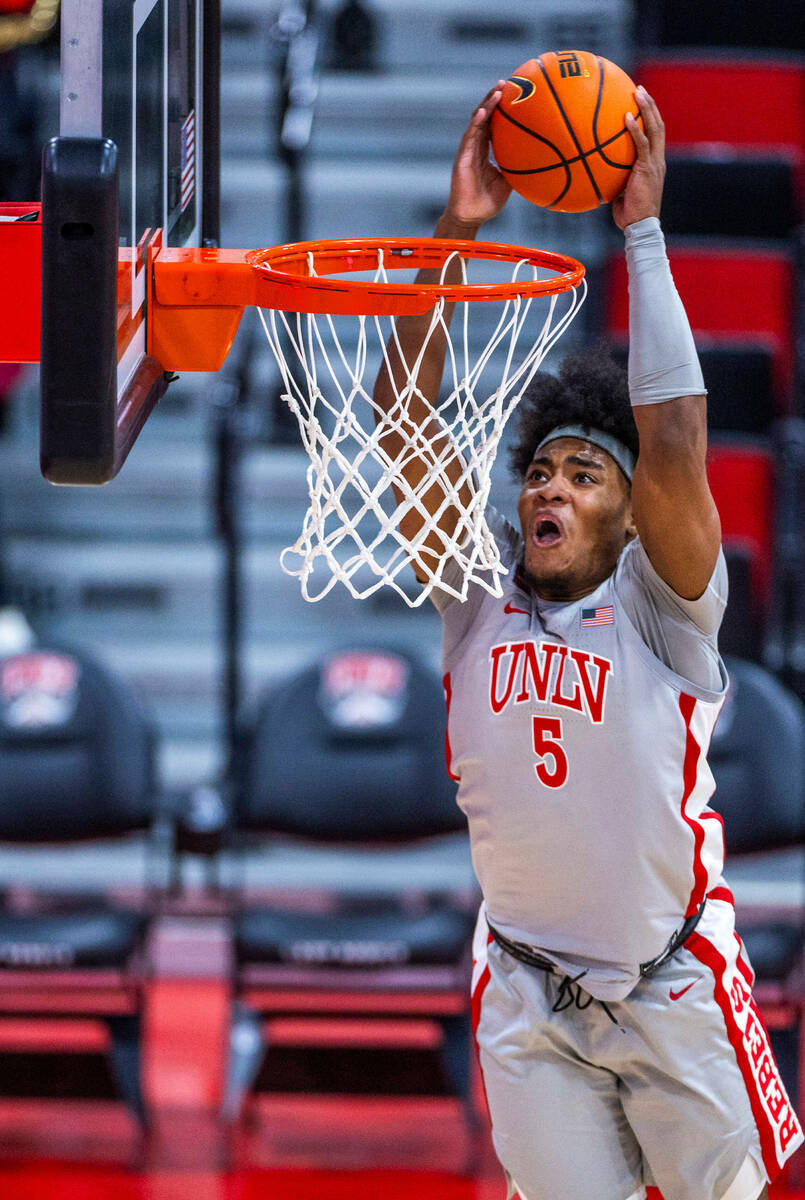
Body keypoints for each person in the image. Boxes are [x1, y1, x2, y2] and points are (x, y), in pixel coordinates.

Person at [372, 84, 803, 1200]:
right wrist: (457, 231)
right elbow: (400, 423)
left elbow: (675, 433)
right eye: (539, 471)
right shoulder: (474, 600)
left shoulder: (662, 610)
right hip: (527, 993)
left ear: (628, 513)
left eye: (583, 473)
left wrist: (643, 236)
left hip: (673, 987)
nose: (548, 488)